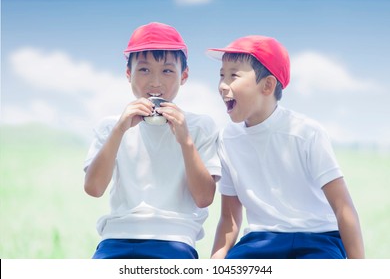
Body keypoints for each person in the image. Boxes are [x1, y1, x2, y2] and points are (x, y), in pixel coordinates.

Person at [206, 35, 364, 259]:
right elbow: (230, 217)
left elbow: (343, 208)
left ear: (268, 85)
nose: (223, 85)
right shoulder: (227, 139)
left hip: (318, 239)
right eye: (222, 75)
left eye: (233, 75)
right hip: (259, 241)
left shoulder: (306, 133)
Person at [84, 22, 221, 259]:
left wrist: (185, 141)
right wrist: (119, 131)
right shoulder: (110, 126)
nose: (155, 82)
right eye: (144, 70)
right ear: (129, 74)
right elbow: (94, 188)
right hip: (116, 237)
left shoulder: (200, 126)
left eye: (167, 71)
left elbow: (204, 198)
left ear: (184, 76)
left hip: (175, 239)